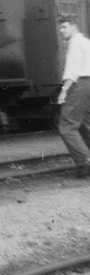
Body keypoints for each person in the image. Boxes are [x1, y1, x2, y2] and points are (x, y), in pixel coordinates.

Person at [56, 15, 90, 178]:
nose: (61, 31)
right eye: (60, 28)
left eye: (64, 27)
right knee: (85, 123)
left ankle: (85, 161)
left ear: (74, 27)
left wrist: (64, 90)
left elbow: (72, 69)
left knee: (67, 125)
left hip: (80, 84)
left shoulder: (75, 43)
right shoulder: (85, 42)